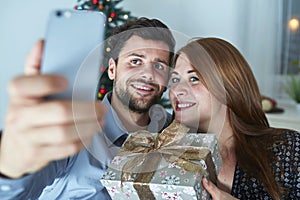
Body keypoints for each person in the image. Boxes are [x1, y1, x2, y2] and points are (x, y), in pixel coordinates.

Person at [0, 17, 175, 199]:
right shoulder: (72, 129)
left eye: (158, 65)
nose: (148, 74)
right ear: (112, 70)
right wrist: (9, 168)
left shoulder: (171, 129)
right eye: (135, 61)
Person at [169, 37, 300, 200]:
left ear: (228, 86)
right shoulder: (166, 158)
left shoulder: (289, 149)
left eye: (194, 79)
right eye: (175, 79)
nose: (177, 90)